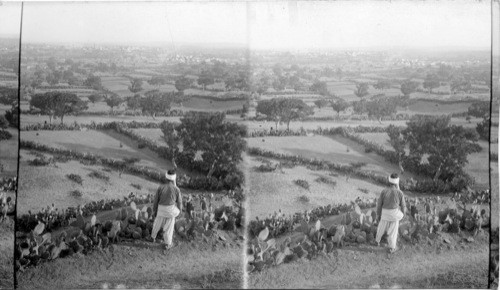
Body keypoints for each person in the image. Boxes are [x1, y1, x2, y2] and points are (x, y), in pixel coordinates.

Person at [151, 169, 182, 251]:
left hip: (160, 210)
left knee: (157, 223)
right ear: (174, 179)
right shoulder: (177, 189)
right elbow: (179, 203)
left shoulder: (160, 187)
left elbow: (155, 201)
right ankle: (168, 244)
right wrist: (180, 212)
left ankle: (152, 237)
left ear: (166, 177)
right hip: (171, 211)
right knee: (169, 226)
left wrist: (154, 211)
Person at [375, 173, 406, 253]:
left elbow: (379, 205)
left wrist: (378, 215)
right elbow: (403, 207)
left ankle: (377, 241)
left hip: (384, 214)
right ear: (397, 182)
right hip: (394, 215)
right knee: (394, 230)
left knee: (381, 227)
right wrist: (403, 215)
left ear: (389, 181)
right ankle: (392, 247)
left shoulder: (384, 191)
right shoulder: (400, 193)